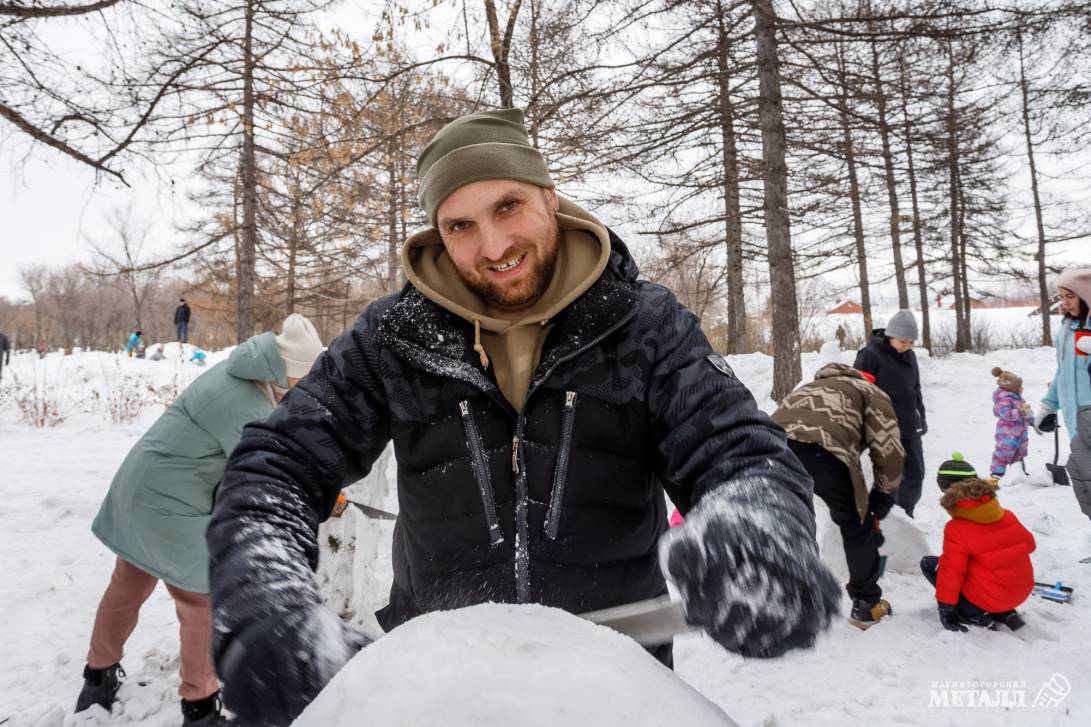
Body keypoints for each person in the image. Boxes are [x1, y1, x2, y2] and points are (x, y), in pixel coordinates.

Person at [206, 109, 841, 727]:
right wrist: (265, 598)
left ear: (549, 197)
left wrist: (760, 526)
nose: (493, 245)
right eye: (460, 225)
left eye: (508, 206)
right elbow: (277, 465)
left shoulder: (643, 326)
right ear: (436, 232)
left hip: (610, 683)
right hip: (434, 686)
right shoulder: (393, 339)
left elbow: (737, 451)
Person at [75, 314, 324, 726]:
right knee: (202, 604)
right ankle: (200, 707)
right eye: (303, 382)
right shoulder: (247, 401)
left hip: (142, 489)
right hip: (169, 503)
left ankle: (97, 678)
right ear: (287, 371)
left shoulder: (239, 375)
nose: (304, 391)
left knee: (128, 584)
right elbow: (260, 465)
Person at [773, 364, 905, 629]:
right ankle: (867, 605)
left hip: (771, 448)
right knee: (856, 524)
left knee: (782, 524)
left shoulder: (808, 387)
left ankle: (779, 601)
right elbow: (889, 451)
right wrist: (881, 501)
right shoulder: (869, 391)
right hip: (823, 452)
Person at [920, 454, 1035, 632]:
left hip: (991, 597)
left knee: (930, 564)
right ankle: (1005, 612)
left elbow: (951, 572)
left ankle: (973, 613)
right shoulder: (1007, 515)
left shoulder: (956, 528)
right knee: (978, 562)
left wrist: (946, 608)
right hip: (1020, 593)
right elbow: (1030, 545)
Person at [854, 309, 926, 517]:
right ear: (890, 335)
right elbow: (857, 389)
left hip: (908, 424)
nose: (907, 346)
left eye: (911, 342)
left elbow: (916, 390)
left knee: (915, 473)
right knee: (889, 473)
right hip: (882, 424)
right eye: (903, 341)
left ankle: (906, 512)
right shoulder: (870, 355)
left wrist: (920, 418)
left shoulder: (909, 356)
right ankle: (888, 515)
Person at [989, 366, 1033, 480]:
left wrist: (1034, 420)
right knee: (1003, 454)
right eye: (1020, 386)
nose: (1022, 388)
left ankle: (1020, 474)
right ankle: (997, 474)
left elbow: (1024, 415)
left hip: (1021, 434)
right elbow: (1003, 412)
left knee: (1019, 455)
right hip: (1007, 434)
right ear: (1012, 388)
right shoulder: (1004, 400)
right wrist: (1020, 412)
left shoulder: (1019, 400)